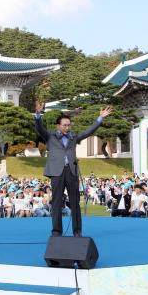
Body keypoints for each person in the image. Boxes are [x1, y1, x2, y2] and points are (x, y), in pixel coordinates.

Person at [34, 101, 112, 237]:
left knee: (75, 203)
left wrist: (100, 118)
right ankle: (57, 232)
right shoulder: (50, 136)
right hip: (57, 172)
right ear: (58, 125)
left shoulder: (73, 137)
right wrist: (38, 114)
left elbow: (88, 132)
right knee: (57, 202)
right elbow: (40, 128)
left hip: (71, 170)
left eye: (69, 125)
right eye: (64, 125)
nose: (67, 127)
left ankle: (77, 231)